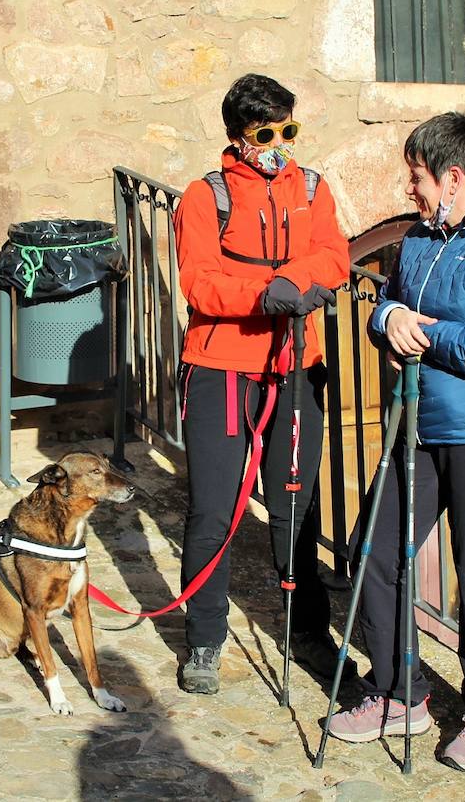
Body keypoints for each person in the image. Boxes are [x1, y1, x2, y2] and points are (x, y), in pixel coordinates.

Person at [325, 112, 465, 773]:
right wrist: (389, 316)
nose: (410, 188)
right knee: (373, 550)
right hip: (421, 426)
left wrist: (418, 331)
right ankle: (400, 692)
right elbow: (386, 303)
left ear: (454, 178)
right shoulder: (425, 238)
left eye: (418, 176)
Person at [171, 74, 350, 695]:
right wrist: (263, 295)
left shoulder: (313, 188)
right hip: (222, 366)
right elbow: (198, 281)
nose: (279, 144)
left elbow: (334, 254)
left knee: (294, 505)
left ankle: (308, 634)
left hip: (297, 363)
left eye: (288, 130)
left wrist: (298, 283)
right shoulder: (203, 197)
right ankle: (204, 638)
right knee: (213, 510)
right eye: (265, 134)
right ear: (238, 137)